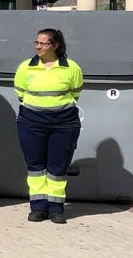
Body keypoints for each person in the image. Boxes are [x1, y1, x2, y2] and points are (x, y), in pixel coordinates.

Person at [15, 28, 83, 224]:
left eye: (44, 43)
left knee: (58, 167)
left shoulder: (71, 68)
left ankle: (56, 208)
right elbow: (20, 92)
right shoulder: (26, 67)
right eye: (37, 42)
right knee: (35, 167)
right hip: (31, 123)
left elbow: (75, 92)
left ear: (55, 45)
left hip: (64, 124)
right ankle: (37, 207)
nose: (39, 46)